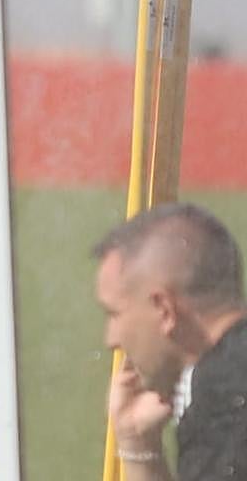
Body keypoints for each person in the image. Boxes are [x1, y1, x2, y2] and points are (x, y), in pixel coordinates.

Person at [93, 203, 247, 481]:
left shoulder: (221, 401)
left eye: (115, 314)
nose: (111, 340)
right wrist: (138, 444)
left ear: (164, 310)